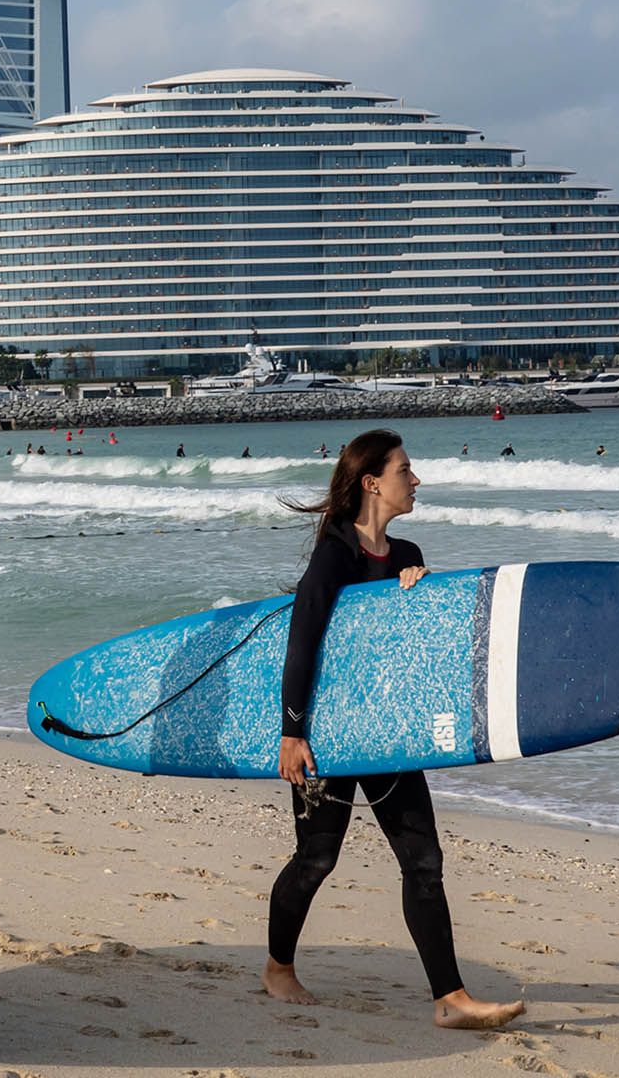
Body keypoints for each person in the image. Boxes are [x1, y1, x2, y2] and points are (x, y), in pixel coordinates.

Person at [267, 429, 525, 1029]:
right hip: (328, 734)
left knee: (423, 861)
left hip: (385, 730)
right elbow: (302, 642)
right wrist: (292, 732)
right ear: (372, 482)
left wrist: (421, 595)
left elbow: (415, 653)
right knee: (316, 860)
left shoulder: (407, 554)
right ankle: (278, 968)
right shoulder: (333, 554)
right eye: (407, 469)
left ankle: (450, 998)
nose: (417, 479)